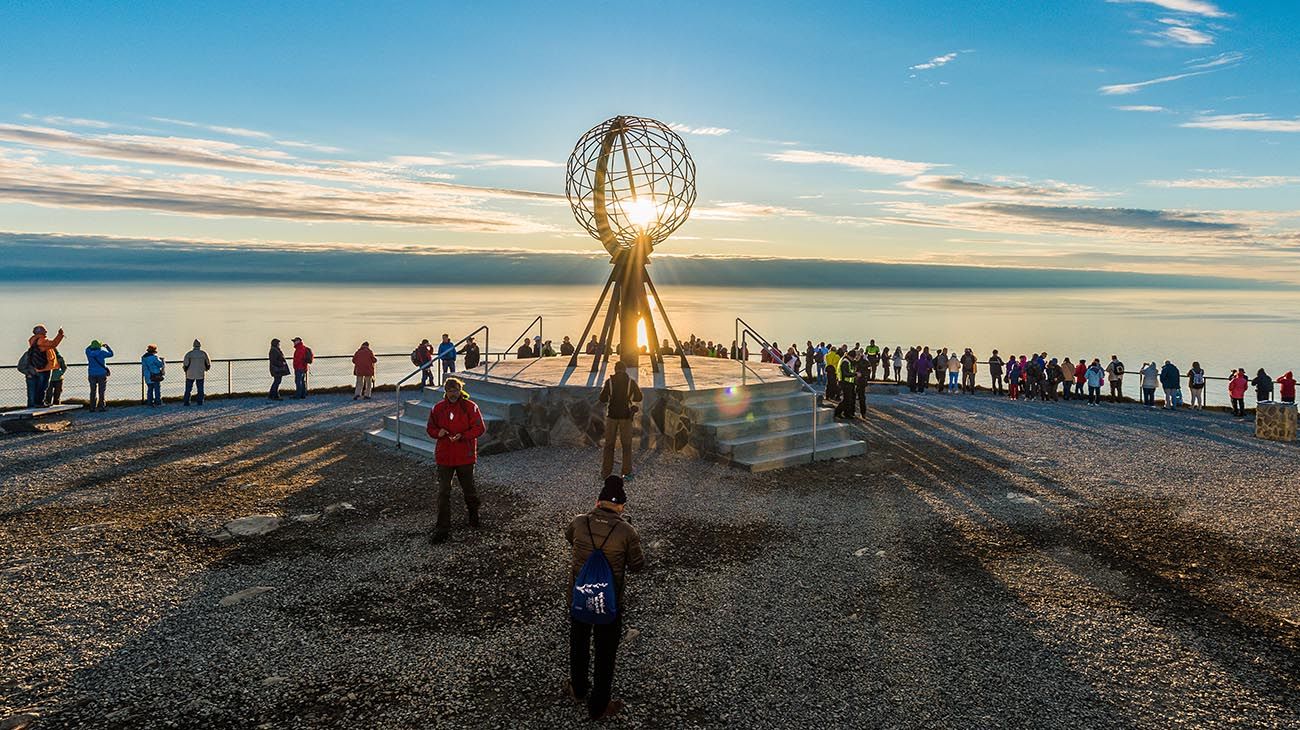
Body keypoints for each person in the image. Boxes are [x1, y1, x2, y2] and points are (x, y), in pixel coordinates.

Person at [564, 475, 645, 721]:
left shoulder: (579, 522)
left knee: (578, 644)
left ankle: (578, 690)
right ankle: (599, 706)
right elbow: (637, 565)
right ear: (621, 506)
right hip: (608, 602)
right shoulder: (626, 530)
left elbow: (570, 539)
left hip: (579, 597)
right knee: (605, 652)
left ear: (598, 502)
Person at [425, 377, 485, 543]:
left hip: (464, 455)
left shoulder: (470, 407)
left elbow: (480, 428)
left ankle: (474, 516)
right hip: (444, 456)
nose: (453, 393)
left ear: (460, 391)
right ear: (446, 391)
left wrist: (463, 436)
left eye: (456, 390)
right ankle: (443, 527)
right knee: (443, 492)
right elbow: (430, 428)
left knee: (469, 489)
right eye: (450, 390)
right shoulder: (437, 408)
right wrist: (439, 433)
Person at [599, 361, 643, 479]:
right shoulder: (631, 382)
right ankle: (626, 472)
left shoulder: (609, 382)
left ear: (615, 369)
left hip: (612, 416)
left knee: (609, 445)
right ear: (625, 370)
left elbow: (602, 398)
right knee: (626, 445)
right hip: (626, 416)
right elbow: (639, 397)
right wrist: (630, 398)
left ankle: (606, 472)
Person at [25, 324, 65, 408]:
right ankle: (39, 402)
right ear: (39, 332)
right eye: (44, 330)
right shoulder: (41, 341)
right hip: (44, 367)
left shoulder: (34, 340)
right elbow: (54, 344)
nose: (46, 331)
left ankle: (37, 402)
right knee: (43, 386)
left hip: (38, 367)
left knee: (39, 386)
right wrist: (60, 335)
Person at [85, 340, 113, 412]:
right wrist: (107, 347)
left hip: (91, 373)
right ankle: (101, 407)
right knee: (101, 391)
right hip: (101, 373)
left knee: (93, 391)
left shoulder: (88, 352)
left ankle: (92, 407)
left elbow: (87, 349)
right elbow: (111, 354)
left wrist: (91, 346)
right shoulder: (102, 352)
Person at [181, 340, 211, 407]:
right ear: (200, 345)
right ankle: (200, 401)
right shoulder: (203, 353)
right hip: (200, 373)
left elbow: (185, 364)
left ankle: (186, 402)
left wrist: (185, 370)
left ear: (193, 345)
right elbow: (208, 363)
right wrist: (206, 369)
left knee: (188, 389)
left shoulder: (189, 354)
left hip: (190, 374)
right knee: (200, 388)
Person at [834, 350, 858, 418]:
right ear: (850, 356)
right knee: (846, 399)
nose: (853, 359)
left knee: (849, 399)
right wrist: (855, 374)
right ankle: (838, 412)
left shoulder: (847, 360)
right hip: (845, 383)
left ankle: (847, 413)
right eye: (853, 358)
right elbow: (845, 373)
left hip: (849, 383)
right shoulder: (845, 362)